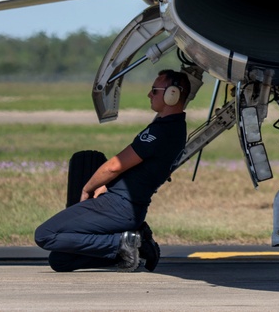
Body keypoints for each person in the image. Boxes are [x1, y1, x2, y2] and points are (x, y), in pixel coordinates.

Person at [34, 69, 190, 272]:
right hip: (128, 209)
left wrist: (88, 188)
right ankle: (137, 248)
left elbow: (115, 165)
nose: (149, 95)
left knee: (45, 235)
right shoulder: (175, 129)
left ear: (172, 94)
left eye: (154, 90)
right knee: (60, 260)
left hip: (118, 206)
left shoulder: (161, 132)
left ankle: (122, 244)